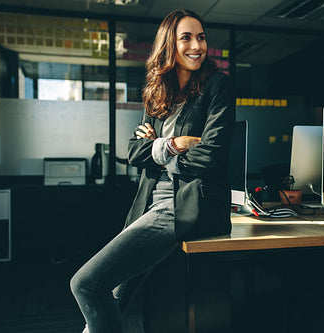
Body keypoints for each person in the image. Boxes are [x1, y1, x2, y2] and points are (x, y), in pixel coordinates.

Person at [70, 9, 235, 333]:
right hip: (148, 204)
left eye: (200, 37)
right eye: (185, 37)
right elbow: (134, 151)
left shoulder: (217, 85)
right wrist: (173, 144)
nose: (196, 45)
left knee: (86, 284)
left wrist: (157, 151)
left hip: (183, 206)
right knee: (111, 299)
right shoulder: (159, 93)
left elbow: (212, 153)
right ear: (168, 44)